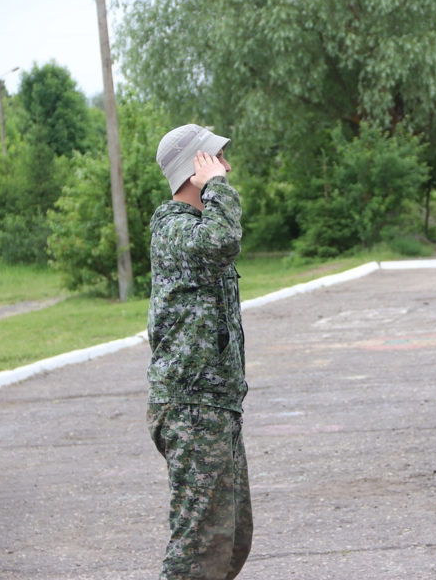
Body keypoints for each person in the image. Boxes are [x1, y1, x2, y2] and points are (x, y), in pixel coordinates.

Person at [146, 124, 253, 580]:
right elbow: (222, 241)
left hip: (215, 404)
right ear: (196, 166)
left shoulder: (195, 228)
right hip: (190, 406)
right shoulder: (172, 228)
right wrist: (218, 189)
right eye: (216, 159)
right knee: (198, 549)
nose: (225, 167)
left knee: (231, 540)